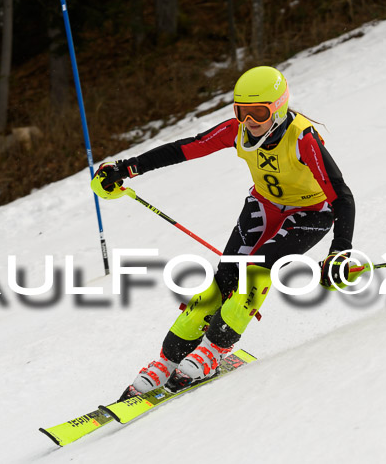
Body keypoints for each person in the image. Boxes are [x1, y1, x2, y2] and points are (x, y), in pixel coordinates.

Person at [92, 66, 356, 398]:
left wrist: (340, 249)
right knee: (223, 279)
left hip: (311, 214)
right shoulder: (238, 131)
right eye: (241, 112)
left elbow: (342, 196)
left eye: (258, 112)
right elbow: (187, 148)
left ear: (278, 107)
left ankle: (215, 350)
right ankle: (168, 359)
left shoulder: (302, 137)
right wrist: (127, 167)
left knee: (257, 271)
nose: (249, 121)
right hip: (264, 206)